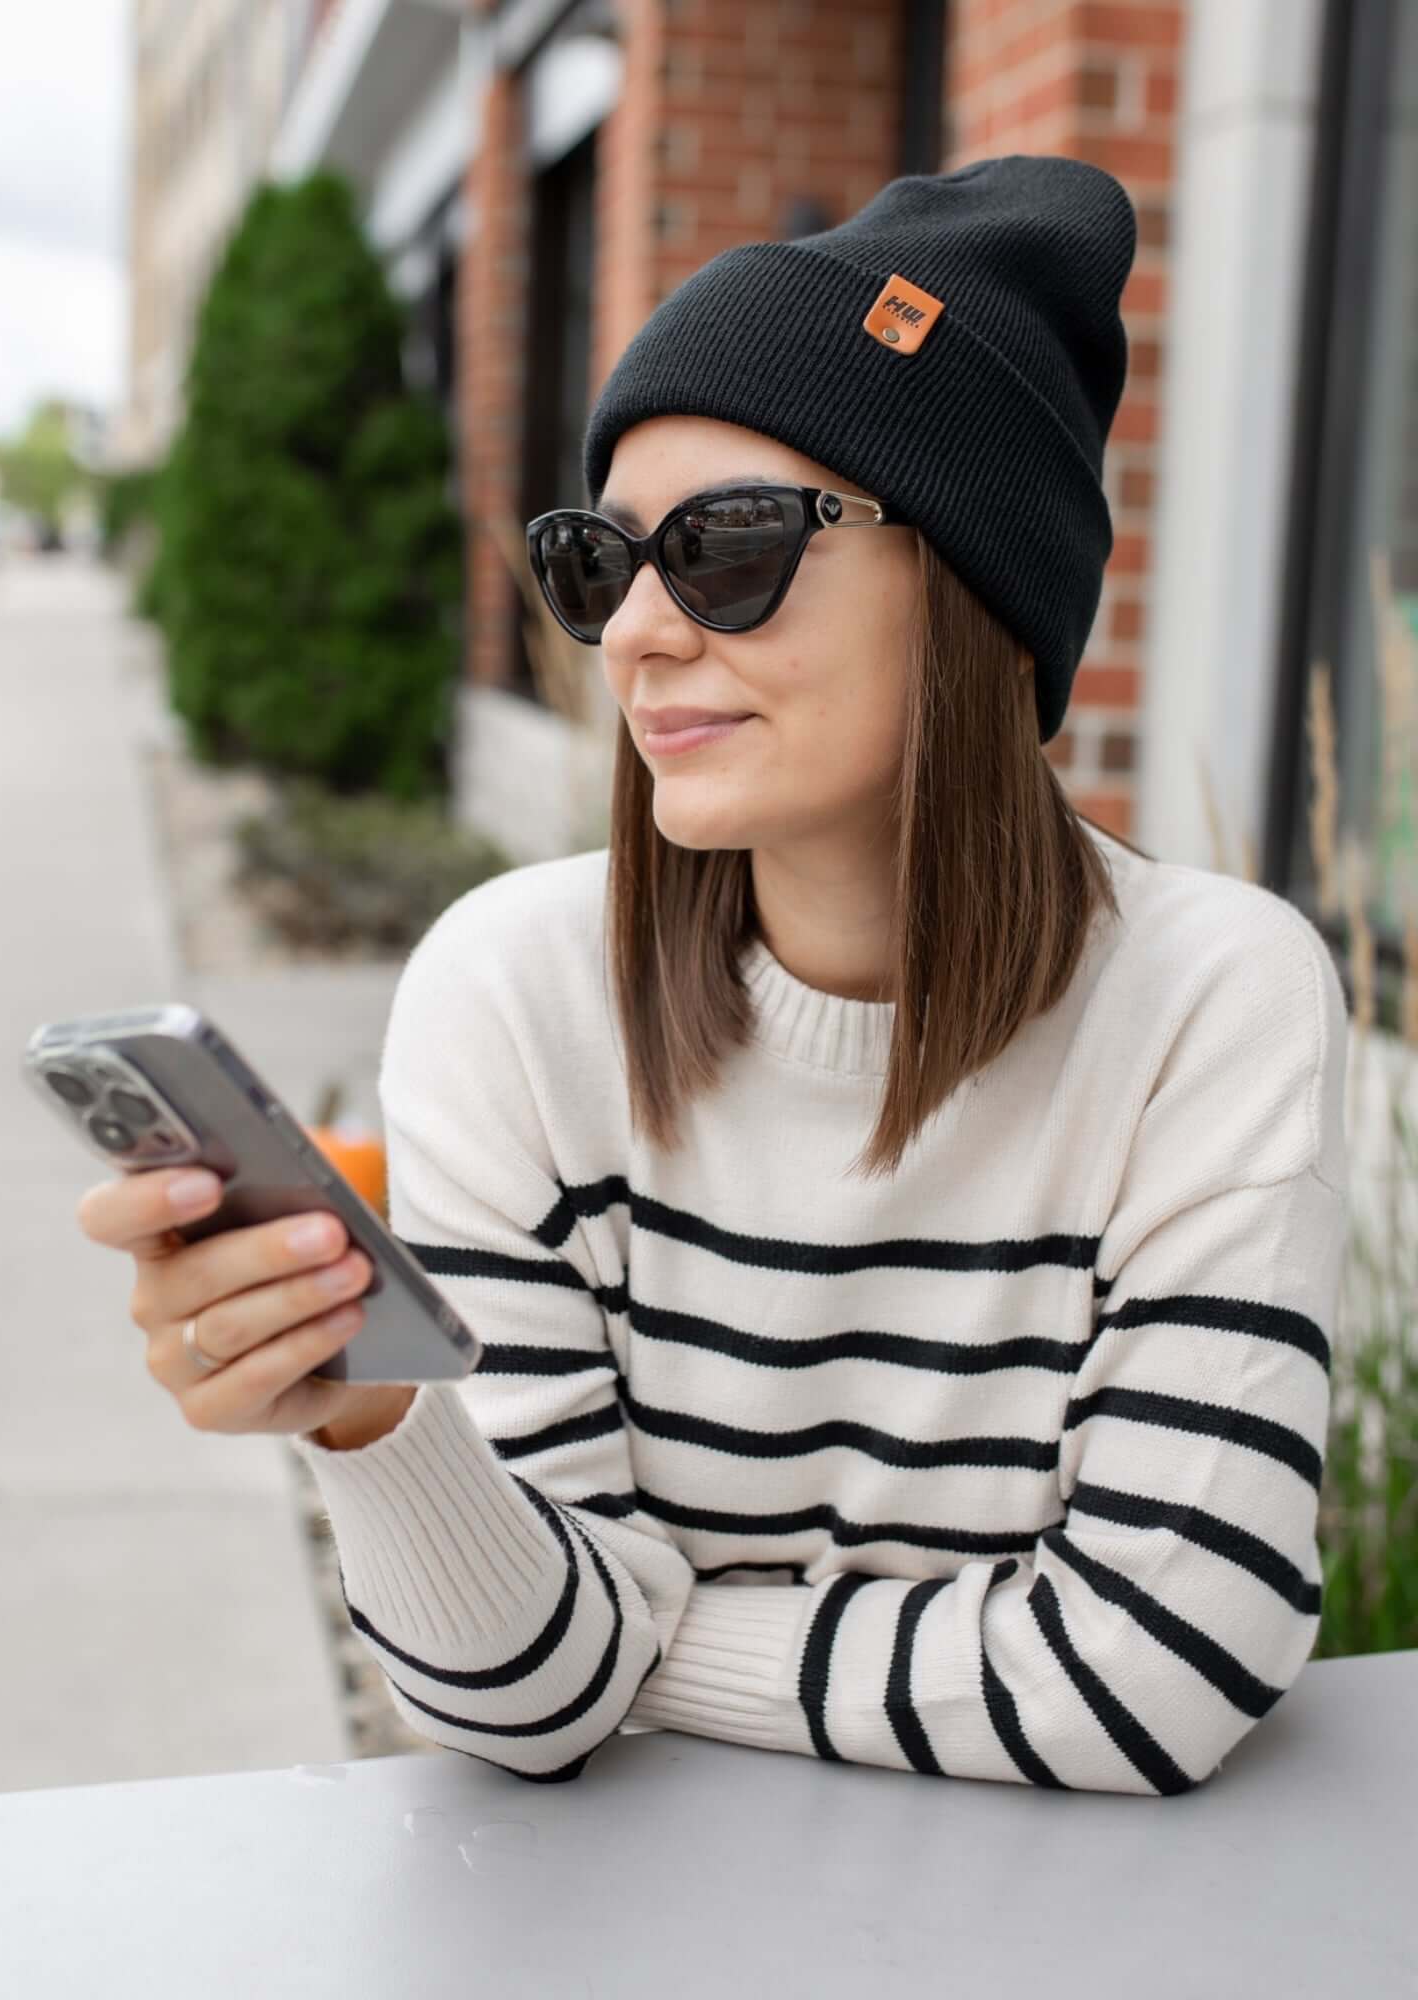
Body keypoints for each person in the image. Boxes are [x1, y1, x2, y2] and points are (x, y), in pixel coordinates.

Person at [77, 155, 1350, 1794]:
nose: (636, 637)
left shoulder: (1206, 1003)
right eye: (599, 564)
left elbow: (1154, 1671)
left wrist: (645, 1639)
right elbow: (517, 1704)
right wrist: (373, 1425)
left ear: (976, 588)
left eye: (728, 547)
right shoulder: (518, 992)